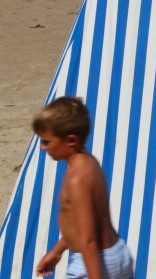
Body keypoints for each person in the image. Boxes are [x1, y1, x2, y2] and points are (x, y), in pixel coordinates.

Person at [32, 97, 134, 279]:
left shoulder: (76, 178)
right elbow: (85, 222)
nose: (42, 147)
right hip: (117, 253)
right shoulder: (89, 163)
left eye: (47, 141)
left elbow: (88, 239)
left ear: (71, 140)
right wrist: (57, 251)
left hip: (95, 263)